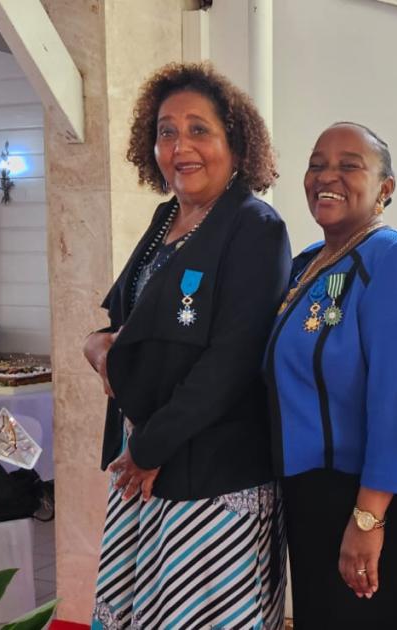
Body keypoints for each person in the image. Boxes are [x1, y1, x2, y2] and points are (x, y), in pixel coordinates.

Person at [82, 62, 291, 630]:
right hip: (147, 459)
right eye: (166, 132)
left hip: (212, 471)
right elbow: (124, 318)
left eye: (199, 130)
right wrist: (97, 344)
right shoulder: (166, 217)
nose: (181, 147)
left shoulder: (255, 227)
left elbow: (232, 362)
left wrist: (150, 448)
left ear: (235, 142)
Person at [266, 122, 397, 629]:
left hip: (369, 499)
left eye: (349, 165)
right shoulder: (307, 263)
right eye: (317, 163)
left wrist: (368, 518)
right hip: (310, 497)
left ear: (385, 189)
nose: (328, 175)